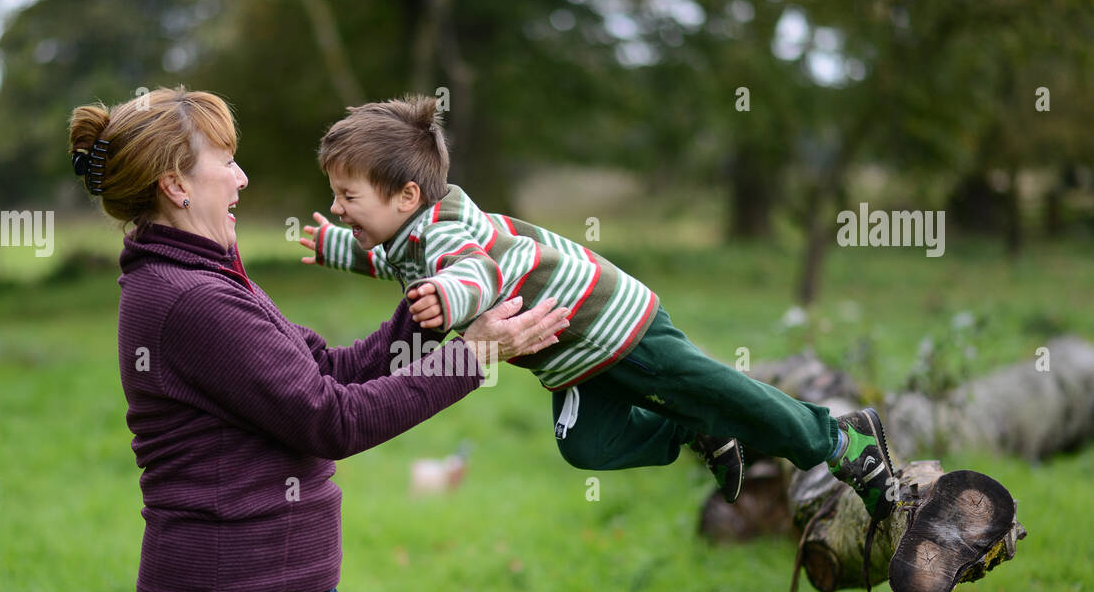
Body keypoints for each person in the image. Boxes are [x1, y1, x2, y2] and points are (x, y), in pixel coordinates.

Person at [68, 86, 571, 592]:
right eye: (227, 163)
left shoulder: (209, 274)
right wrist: (474, 356)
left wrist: (431, 306)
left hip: (298, 591)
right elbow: (329, 417)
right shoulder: (188, 298)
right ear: (177, 184)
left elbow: (325, 369)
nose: (242, 179)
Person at [300, 95, 900, 521]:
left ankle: (843, 444)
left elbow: (477, 272)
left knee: (725, 391)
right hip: (577, 360)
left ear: (407, 196)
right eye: (336, 195)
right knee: (585, 443)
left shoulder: (448, 231)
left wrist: (451, 298)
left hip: (617, 325)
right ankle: (694, 428)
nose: (340, 205)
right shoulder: (408, 238)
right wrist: (333, 245)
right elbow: (389, 262)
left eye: (348, 197)